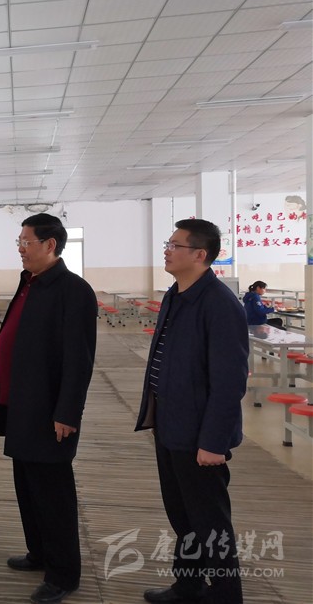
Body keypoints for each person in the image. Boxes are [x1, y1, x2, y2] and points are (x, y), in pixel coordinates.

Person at [0, 214, 96, 604]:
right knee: (28, 488)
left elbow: (79, 360)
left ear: (50, 245)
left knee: (53, 496)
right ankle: (39, 553)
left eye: (26, 241)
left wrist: (68, 412)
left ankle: (63, 574)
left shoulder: (73, 290)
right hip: (21, 406)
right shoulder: (30, 282)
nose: (20, 248)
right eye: (19, 241)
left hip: (49, 411)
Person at [136, 219, 249, 604]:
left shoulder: (219, 304)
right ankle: (188, 586)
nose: (166, 250)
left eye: (175, 245)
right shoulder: (176, 295)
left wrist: (214, 442)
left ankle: (227, 596)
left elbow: (230, 382)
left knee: (210, 523)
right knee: (183, 517)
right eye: (167, 243)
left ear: (200, 254)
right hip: (170, 425)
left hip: (200, 435)